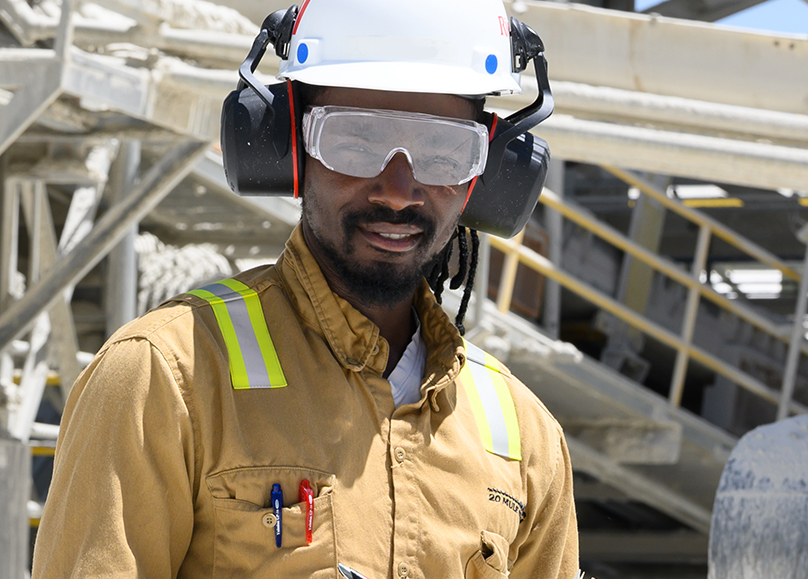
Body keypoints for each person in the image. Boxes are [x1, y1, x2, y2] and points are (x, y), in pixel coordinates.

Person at [31, 0, 578, 577]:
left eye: (443, 152)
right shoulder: (166, 376)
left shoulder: (525, 435)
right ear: (289, 148)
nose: (398, 190)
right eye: (356, 142)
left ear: (485, 176)